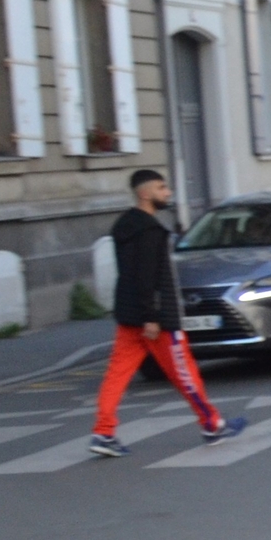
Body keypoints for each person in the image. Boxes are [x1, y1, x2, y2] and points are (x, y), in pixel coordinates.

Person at [87, 168, 244, 457]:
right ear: (145, 194)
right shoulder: (150, 231)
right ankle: (211, 424)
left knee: (116, 375)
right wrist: (152, 316)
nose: (167, 192)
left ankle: (103, 432)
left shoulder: (124, 226)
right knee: (185, 374)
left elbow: (130, 274)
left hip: (129, 314)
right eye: (162, 188)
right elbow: (148, 276)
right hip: (157, 319)